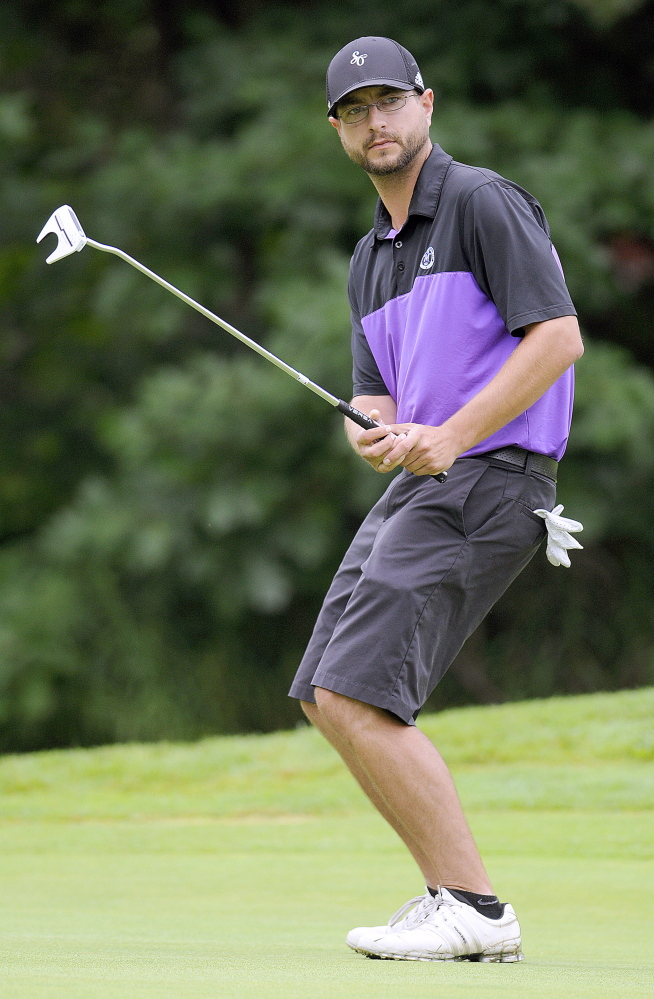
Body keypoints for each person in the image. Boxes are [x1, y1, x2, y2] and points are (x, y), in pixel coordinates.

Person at [288, 35, 583, 963]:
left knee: (357, 689)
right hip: (424, 483)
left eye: (389, 102)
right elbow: (375, 392)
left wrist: (449, 434)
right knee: (325, 692)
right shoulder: (369, 258)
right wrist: (368, 429)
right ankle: (455, 898)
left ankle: (475, 907)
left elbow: (559, 340)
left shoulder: (482, 203)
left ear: (426, 103)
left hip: (490, 475)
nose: (376, 122)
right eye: (354, 110)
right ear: (337, 129)